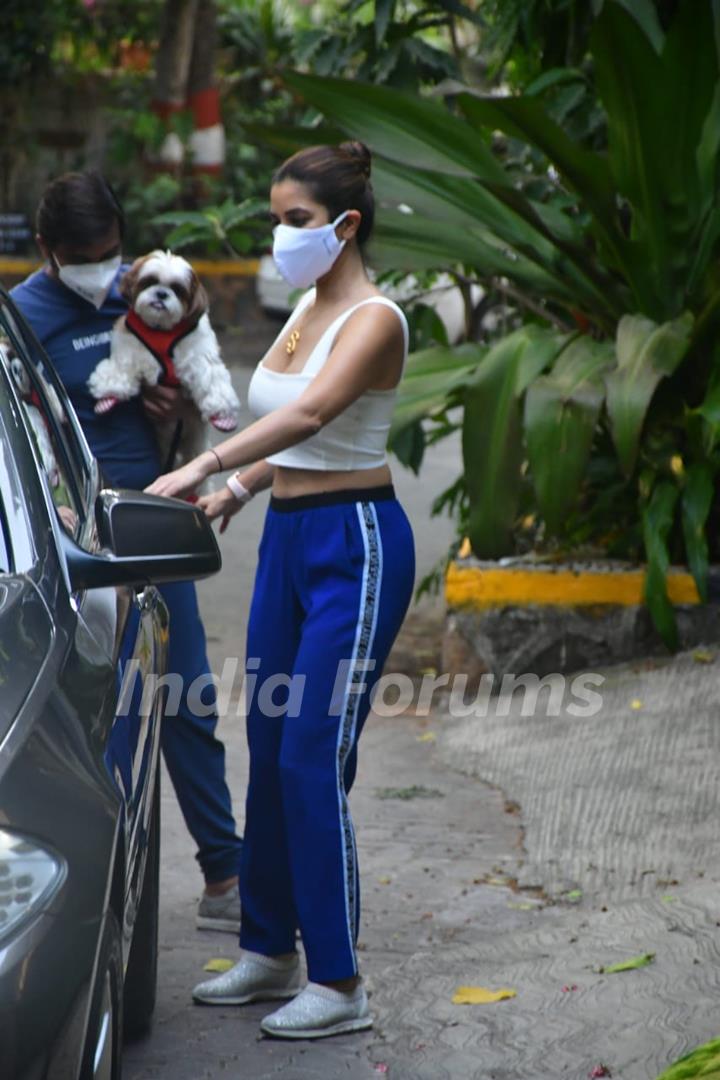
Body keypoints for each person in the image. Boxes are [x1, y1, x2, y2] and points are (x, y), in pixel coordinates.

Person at [146, 141, 416, 1039]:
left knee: (310, 754)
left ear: (345, 226)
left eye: (296, 220)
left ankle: (341, 985)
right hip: (289, 537)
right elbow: (292, 439)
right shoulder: (305, 305)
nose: (279, 234)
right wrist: (240, 488)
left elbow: (309, 414)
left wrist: (204, 463)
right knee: (266, 737)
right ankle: (269, 950)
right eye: (276, 217)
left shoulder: (375, 318)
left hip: (357, 543)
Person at [11, 171, 243, 932]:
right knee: (87, 716)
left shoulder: (142, 292)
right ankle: (91, 894)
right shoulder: (23, 317)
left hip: (152, 524)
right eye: (82, 256)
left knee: (189, 699)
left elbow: (187, 371)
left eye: (108, 252)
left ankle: (223, 874)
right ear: (46, 250)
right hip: (69, 540)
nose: (99, 268)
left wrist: (170, 406)